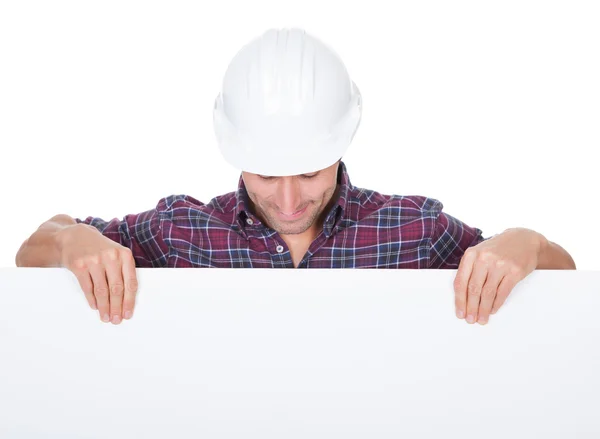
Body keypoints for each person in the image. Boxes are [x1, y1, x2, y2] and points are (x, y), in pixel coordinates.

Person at [15, 28, 576, 327]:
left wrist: (526, 241)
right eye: (264, 173)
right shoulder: (179, 231)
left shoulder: (414, 229)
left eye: (308, 173)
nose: (287, 201)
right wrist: (71, 239)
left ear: (341, 143)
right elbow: (31, 251)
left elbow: (563, 277)